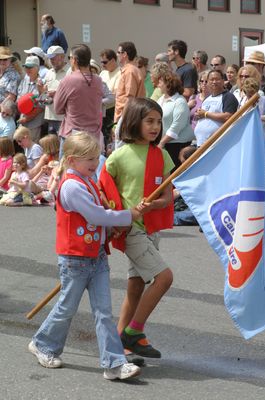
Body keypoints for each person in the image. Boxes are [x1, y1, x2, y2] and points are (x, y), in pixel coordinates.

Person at [28, 131, 141, 380]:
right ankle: (43, 344)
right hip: (75, 258)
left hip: (96, 256)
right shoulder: (71, 186)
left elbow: (99, 215)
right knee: (67, 307)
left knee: (103, 311)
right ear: (71, 160)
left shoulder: (88, 180)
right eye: (88, 159)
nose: (94, 163)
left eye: (96, 157)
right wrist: (127, 216)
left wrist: (109, 230)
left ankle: (113, 364)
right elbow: (96, 216)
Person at [99, 98, 174, 360]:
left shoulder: (162, 155)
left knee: (136, 286)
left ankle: (119, 344)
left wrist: (154, 205)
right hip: (130, 230)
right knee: (164, 278)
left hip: (151, 229)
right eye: (149, 121)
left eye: (158, 121)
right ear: (134, 122)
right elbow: (103, 189)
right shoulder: (118, 156)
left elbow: (168, 196)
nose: (155, 126)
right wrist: (112, 217)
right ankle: (134, 332)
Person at [54, 44, 104, 156]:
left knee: (67, 171)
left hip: (73, 136)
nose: (70, 61)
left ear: (75, 60)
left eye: (70, 58)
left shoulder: (68, 80)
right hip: (93, 136)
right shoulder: (98, 80)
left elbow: (57, 109)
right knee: (89, 172)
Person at [156, 71, 195, 169]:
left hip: (178, 146)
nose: (158, 85)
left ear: (168, 85)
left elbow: (176, 127)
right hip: (165, 144)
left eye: (160, 82)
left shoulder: (180, 102)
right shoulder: (161, 99)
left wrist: (161, 142)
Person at [194, 70, 238, 147]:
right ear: (207, 82)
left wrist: (205, 114)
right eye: (211, 79)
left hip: (216, 145)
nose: (214, 82)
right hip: (200, 144)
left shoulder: (228, 97)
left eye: (217, 79)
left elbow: (228, 117)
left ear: (223, 81)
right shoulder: (207, 98)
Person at [114, 41, 145, 123]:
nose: (117, 55)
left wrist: (121, 121)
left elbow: (130, 98)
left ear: (124, 54)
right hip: (127, 116)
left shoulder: (129, 71)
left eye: (118, 52)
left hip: (126, 118)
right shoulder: (130, 70)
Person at [41, 45, 69, 134]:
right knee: (52, 146)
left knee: (63, 146)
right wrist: (42, 91)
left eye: (53, 58)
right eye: (50, 58)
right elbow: (44, 94)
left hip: (64, 117)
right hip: (50, 116)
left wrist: (57, 94)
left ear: (62, 56)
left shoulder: (70, 71)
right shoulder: (49, 72)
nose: (51, 60)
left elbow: (74, 93)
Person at [17, 56, 45, 142]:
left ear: (37, 68)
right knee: (22, 147)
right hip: (23, 121)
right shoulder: (24, 81)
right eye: (26, 67)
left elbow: (42, 106)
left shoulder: (42, 83)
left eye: (30, 67)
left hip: (34, 123)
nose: (28, 69)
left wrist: (27, 118)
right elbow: (19, 98)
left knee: (33, 148)